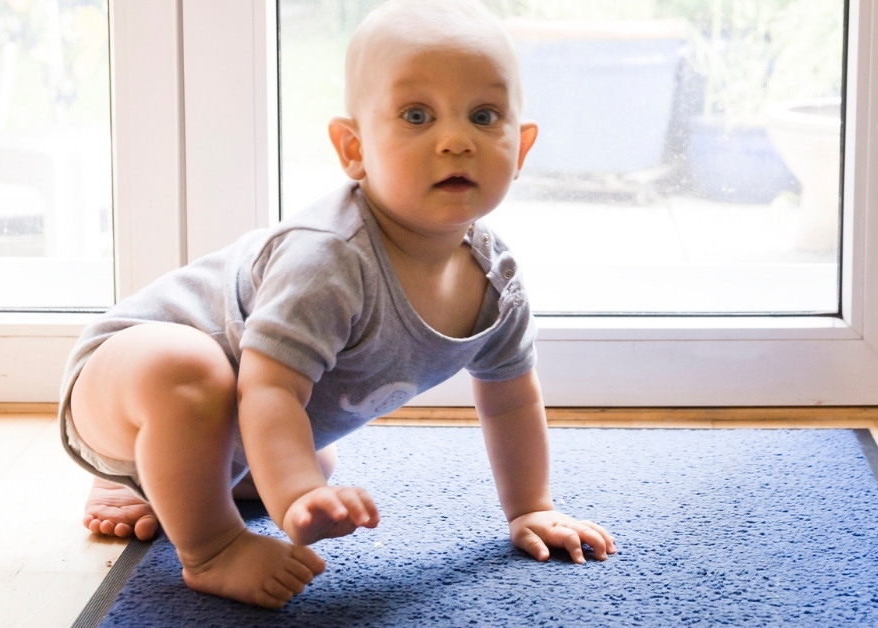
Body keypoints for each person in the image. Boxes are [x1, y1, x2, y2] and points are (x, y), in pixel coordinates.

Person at [58, 0, 616, 609]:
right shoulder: (330, 259)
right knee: (199, 379)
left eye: (484, 116)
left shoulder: (494, 280)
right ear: (352, 147)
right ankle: (211, 546)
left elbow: (511, 401)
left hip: (227, 428)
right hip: (125, 378)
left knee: (309, 459)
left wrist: (532, 507)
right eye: (417, 115)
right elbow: (269, 391)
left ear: (523, 145)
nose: (456, 141)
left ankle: (165, 481)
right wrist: (292, 496)